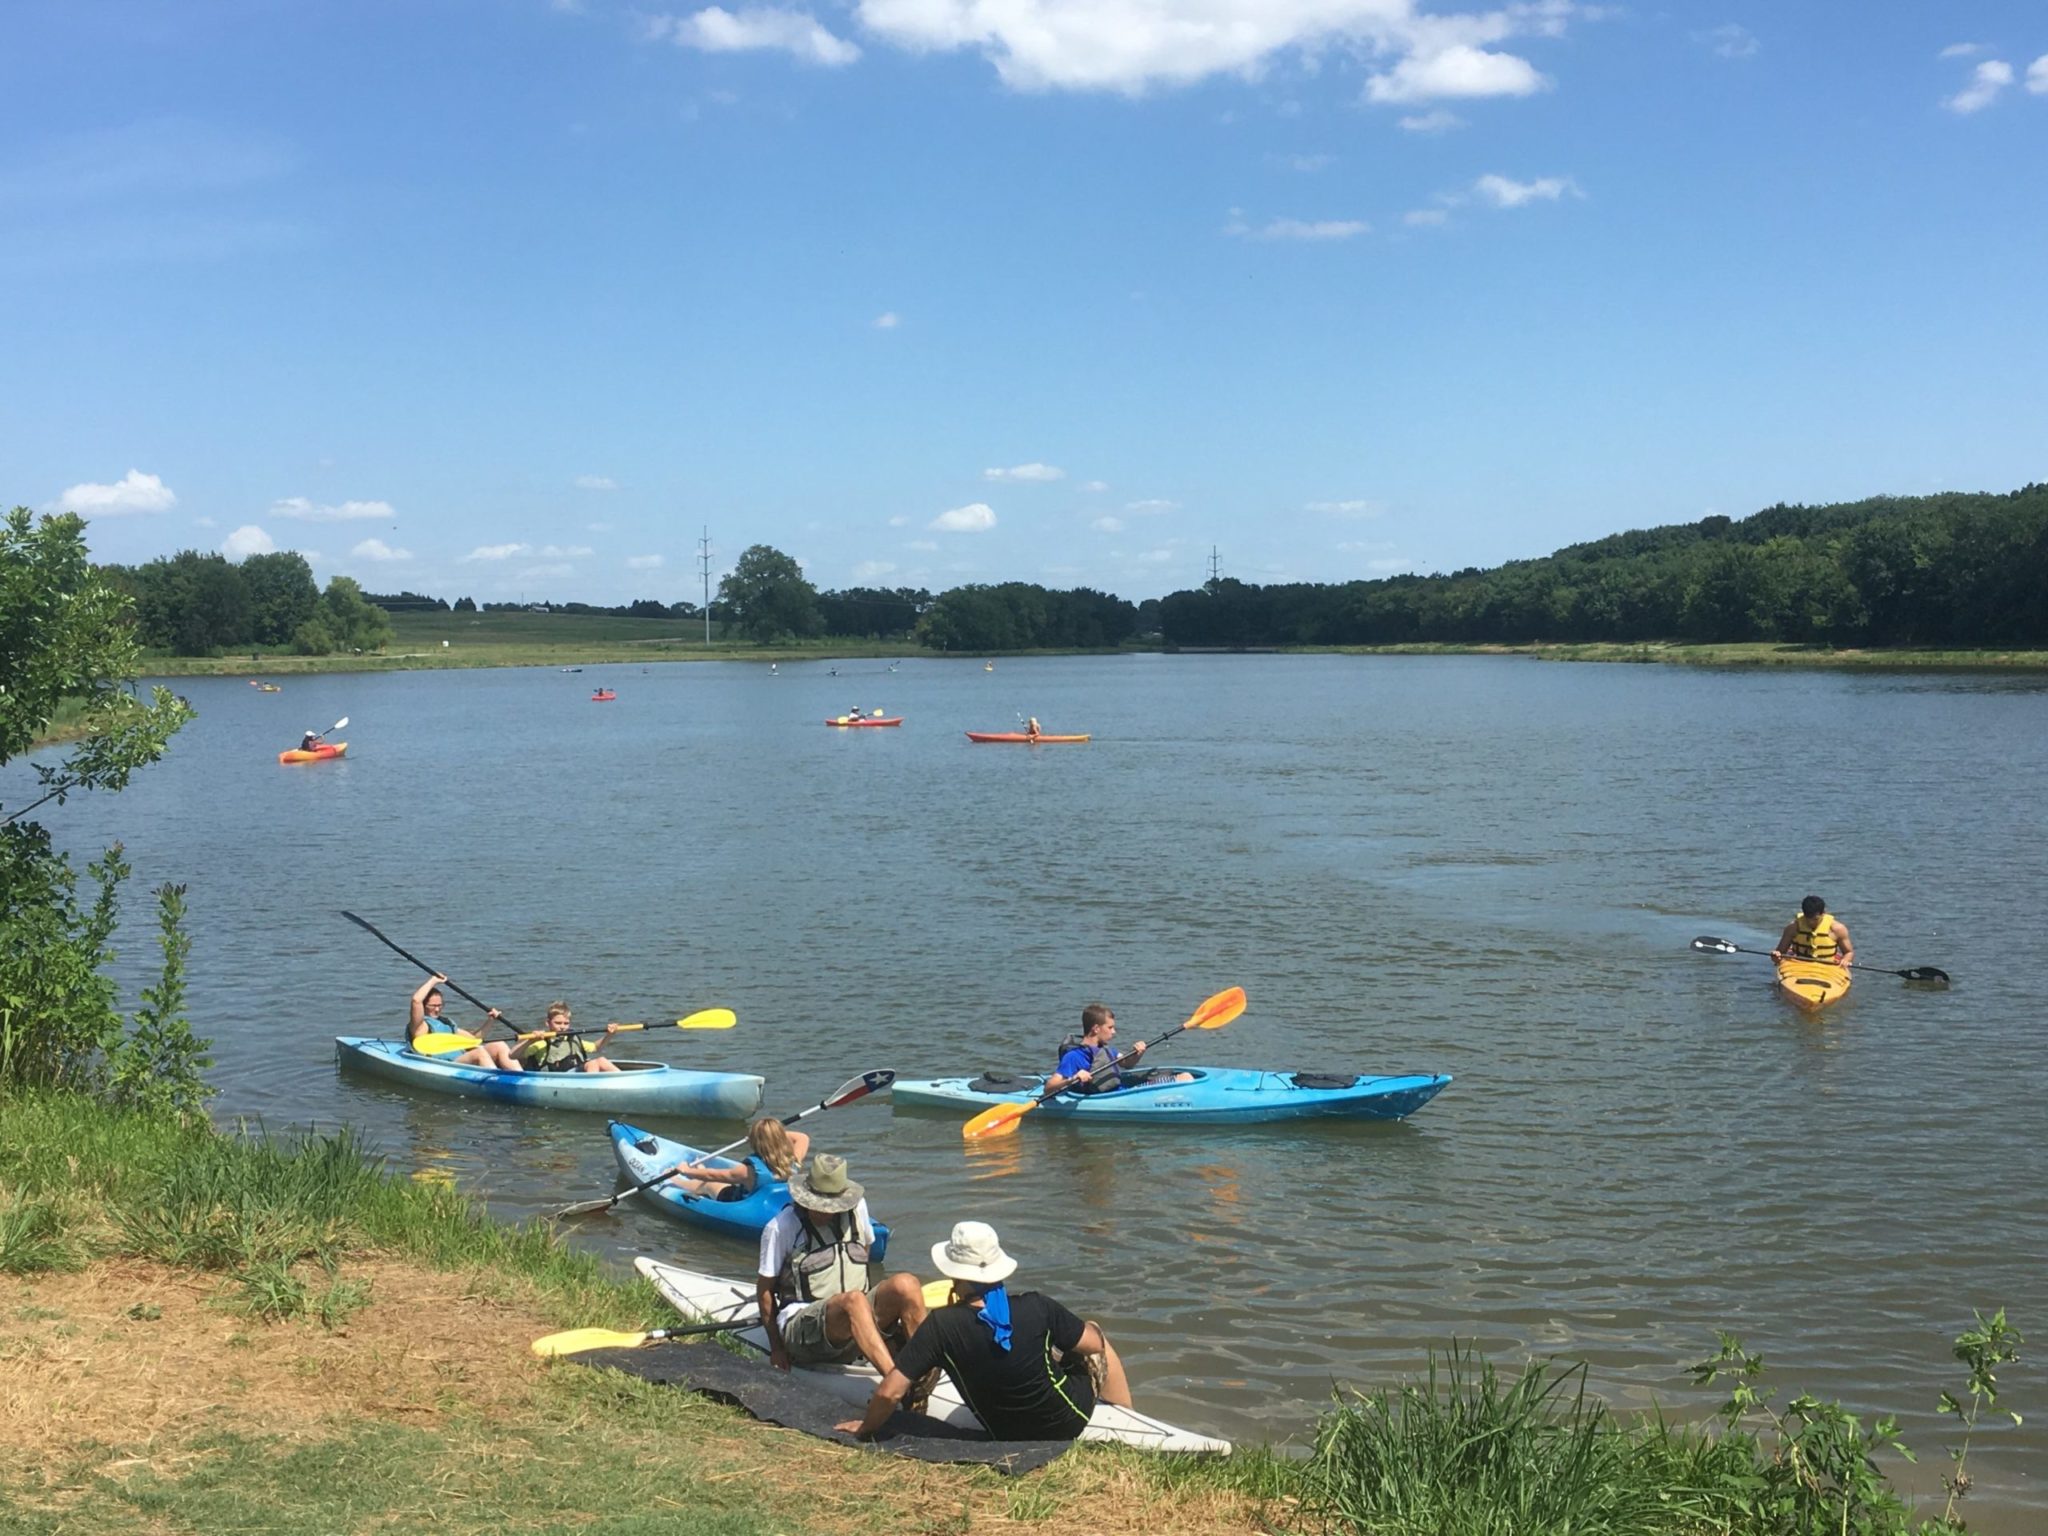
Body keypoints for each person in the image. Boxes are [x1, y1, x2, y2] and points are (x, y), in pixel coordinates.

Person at [837, 1221, 1132, 1443]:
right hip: (1066, 1422)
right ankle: (1130, 1423)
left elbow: (890, 1392)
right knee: (1094, 1334)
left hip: (1004, 1432)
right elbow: (1093, 1344)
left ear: (955, 1273)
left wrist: (866, 1428)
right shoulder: (1038, 1306)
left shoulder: (940, 1326)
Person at [757, 1155, 926, 1376]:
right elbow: (764, 1291)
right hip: (804, 1330)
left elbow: (862, 1253)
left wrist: (864, 1314)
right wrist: (777, 1348)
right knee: (853, 1300)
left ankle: (925, 1369)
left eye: (830, 1206)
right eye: (816, 1205)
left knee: (907, 1284)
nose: (823, 1212)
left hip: (852, 1320)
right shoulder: (781, 1227)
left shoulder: (858, 1210)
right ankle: (895, 1383)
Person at [1044, 1002, 1192, 1096]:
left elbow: (1127, 1064)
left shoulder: (1107, 1050)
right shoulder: (1073, 1057)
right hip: (1111, 1097)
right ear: (1096, 1029)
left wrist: (1139, 1052)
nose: (1114, 1032)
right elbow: (1049, 1087)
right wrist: (1072, 1079)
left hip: (1122, 1092)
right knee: (1184, 1079)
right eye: (1110, 1027)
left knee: (1185, 1076)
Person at [666, 1117, 808, 1202]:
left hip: (742, 1204)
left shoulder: (747, 1171)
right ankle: (698, 1169)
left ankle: (677, 1181)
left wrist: (686, 1171)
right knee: (712, 1176)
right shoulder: (794, 1161)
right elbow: (802, 1137)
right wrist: (773, 1134)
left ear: (755, 1141)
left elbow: (713, 1175)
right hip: (771, 1202)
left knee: (709, 1183)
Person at [408, 975, 522, 1071]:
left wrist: (490, 1021)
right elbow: (416, 1000)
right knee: (479, 1053)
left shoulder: (447, 1024)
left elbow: (473, 1040)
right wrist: (433, 980)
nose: (437, 1009)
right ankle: (496, 1081)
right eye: (433, 1006)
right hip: (445, 1065)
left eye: (439, 1005)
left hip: (461, 1060)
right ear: (424, 1006)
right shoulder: (420, 1026)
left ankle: (521, 1077)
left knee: (499, 1045)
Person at [513, 1002, 622, 1073]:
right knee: (594, 1063)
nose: (562, 1027)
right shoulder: (540, 1042)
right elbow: (513, 1055)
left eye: (566, 1023)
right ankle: (593, 1092)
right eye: (558, 1023)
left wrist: (610, 1034)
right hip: (557, 1079)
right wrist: (529, 1040)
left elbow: (595, 1047)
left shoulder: (573, 1039)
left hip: (575, 1074)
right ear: (548, 1023)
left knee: (601, 1060)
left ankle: (624, 1082)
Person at [1774, 895, 1853, 969]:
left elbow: (1849, 952)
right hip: (1798, 965)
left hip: (1827, 966)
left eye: (1815, 919)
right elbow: (1780, 952)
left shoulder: (1837, 929)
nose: (1811, 922)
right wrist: (1776, 956)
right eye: (1807, 918)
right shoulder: (1792, 928)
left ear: (1823, 913)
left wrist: (1846, 960)